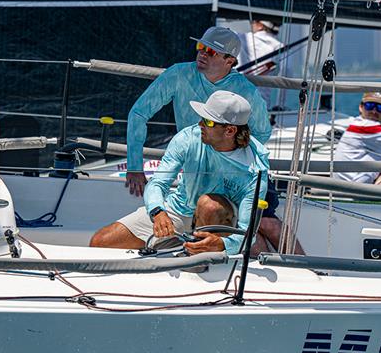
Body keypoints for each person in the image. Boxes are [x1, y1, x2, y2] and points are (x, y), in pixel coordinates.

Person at [91, 91, 269, 255]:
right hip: (178, 210)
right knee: (99, 242)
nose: (200, 124)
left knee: (209, 205)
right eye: (202, 117)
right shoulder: (188, 137)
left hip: (222, 221)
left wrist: (223, 244)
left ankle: (200, 261)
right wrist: (158, 212)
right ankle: (181, 246)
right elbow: (157, 183)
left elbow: (247, 231)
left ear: (230, 131)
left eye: (208, 121)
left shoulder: (256, 168)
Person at [125, 26, 272, 197]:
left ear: (229, 61)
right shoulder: (178, 74)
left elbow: (262, 133)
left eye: (211, 51)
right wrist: (134, 166)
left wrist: (230, 156)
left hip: (228, 172)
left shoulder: (246, 91)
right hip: (190, 163)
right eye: (200, 47)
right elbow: (138, 113)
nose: (203, 53)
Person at [237, 20, 284, 106]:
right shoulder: (281, 47)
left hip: (238, 101)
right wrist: (280, 105)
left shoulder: (242, 38)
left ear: (260, 26)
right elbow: (286, 72)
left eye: (253, 21)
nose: (251, 24)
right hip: (263, 106)